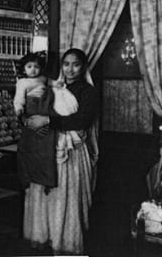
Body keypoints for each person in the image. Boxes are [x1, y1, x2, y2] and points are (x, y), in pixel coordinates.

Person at [21, 48, 99, 255]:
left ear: (83, 67)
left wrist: (48, 120)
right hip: (47, 148)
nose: (70, 69)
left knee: (66, 196)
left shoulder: (87, 91)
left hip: (70, 153)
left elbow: (82, 120)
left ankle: (64, 243)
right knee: (46, 194)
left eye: (76, 64)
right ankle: (46, 237)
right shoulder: (54, 87)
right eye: (66, 64)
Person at [15, 52, 65, 190]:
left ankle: (46, 179)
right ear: (23, 69)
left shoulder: (43, 79)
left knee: (46, 147)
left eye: (36, 66)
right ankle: (28, 177)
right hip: (31, 110)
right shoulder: (22, 82)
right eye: (29, 66)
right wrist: (19, 110)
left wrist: (59, 84)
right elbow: (19, 98)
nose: (33, 69)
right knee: (29, 147)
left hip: (45, 110)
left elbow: (51, 82)